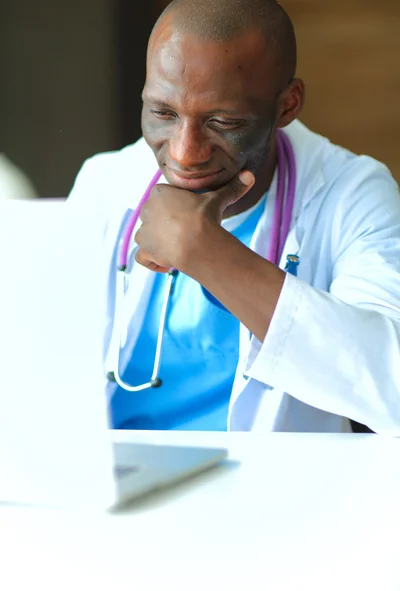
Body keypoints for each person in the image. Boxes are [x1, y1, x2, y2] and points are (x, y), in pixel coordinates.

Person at [68, 0, 400, 434]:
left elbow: (390, 387)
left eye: (223, 122)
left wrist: (206, 252)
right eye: (163, 113)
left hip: (278, 492)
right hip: (122, 483)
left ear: (287, 105)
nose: (185, 153)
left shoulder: (352, 193)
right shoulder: (104, 183)